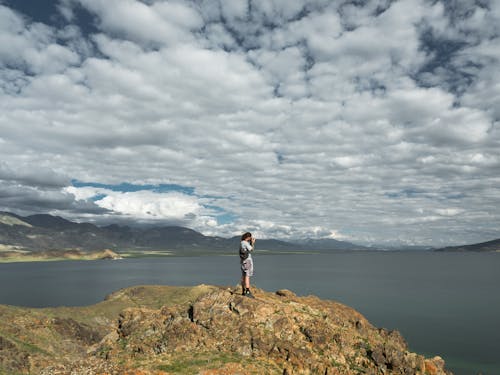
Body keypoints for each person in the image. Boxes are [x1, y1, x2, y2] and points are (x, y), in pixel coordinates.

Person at [239, 232, 256, 298]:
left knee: (243, 276)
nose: (251, 239)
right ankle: (248, 291)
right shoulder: (245, 243)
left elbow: (247, 249)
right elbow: (251, 249)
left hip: (243, 261)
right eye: (250, 237)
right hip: (247, 261)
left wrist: (250, 243)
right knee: (247, 276)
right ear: (248, 237)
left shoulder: (241, 242)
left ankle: (243, 291)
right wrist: (253, 243)